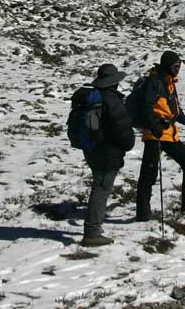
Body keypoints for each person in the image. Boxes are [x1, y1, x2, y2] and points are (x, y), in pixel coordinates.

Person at [135, 51, 185, 221]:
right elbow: (146, 108)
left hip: (169, 134)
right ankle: (143, 214)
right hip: (155, 135)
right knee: (149, 174)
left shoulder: (170, 84)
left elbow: (175, 112)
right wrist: (154, 126)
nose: (178, 69)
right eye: (175, 66)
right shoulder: (154, 82)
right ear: (167, 65)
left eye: (179, 66)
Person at [81, 64, 135, 246]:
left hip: (91, 149)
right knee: (101, 189)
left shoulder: (92, 97)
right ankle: (92, 232)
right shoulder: (112, 101)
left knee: (99, 185)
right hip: (107, 152)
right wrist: (128, 145)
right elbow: (123, 129)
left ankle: (94, 227)